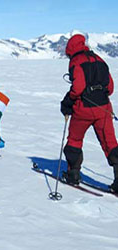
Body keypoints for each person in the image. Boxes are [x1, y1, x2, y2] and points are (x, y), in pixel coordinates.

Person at [60, 34, 118, 193]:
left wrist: (68, 101)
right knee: (110, 143)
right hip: (104, 109)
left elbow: (78, 87)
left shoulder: (76, 61)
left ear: (70, 49)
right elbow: (110, 88)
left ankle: (73, 175)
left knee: (74, 140)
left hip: (83, 109)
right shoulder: (100, 59)